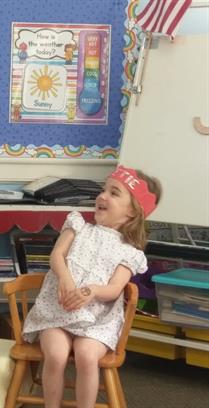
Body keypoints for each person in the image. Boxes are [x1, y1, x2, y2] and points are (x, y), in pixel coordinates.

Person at [22, 165, 162, 408]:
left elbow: (115, 289)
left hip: (97, 321)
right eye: (103, 189)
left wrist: (93, 291)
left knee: (87, 356)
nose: (102, 196)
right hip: (58, 312)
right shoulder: (78, 226)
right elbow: (57, 256)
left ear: (131, 211)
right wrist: (66, 279)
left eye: (114, 193)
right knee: (55, 355)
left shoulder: (129, 251)